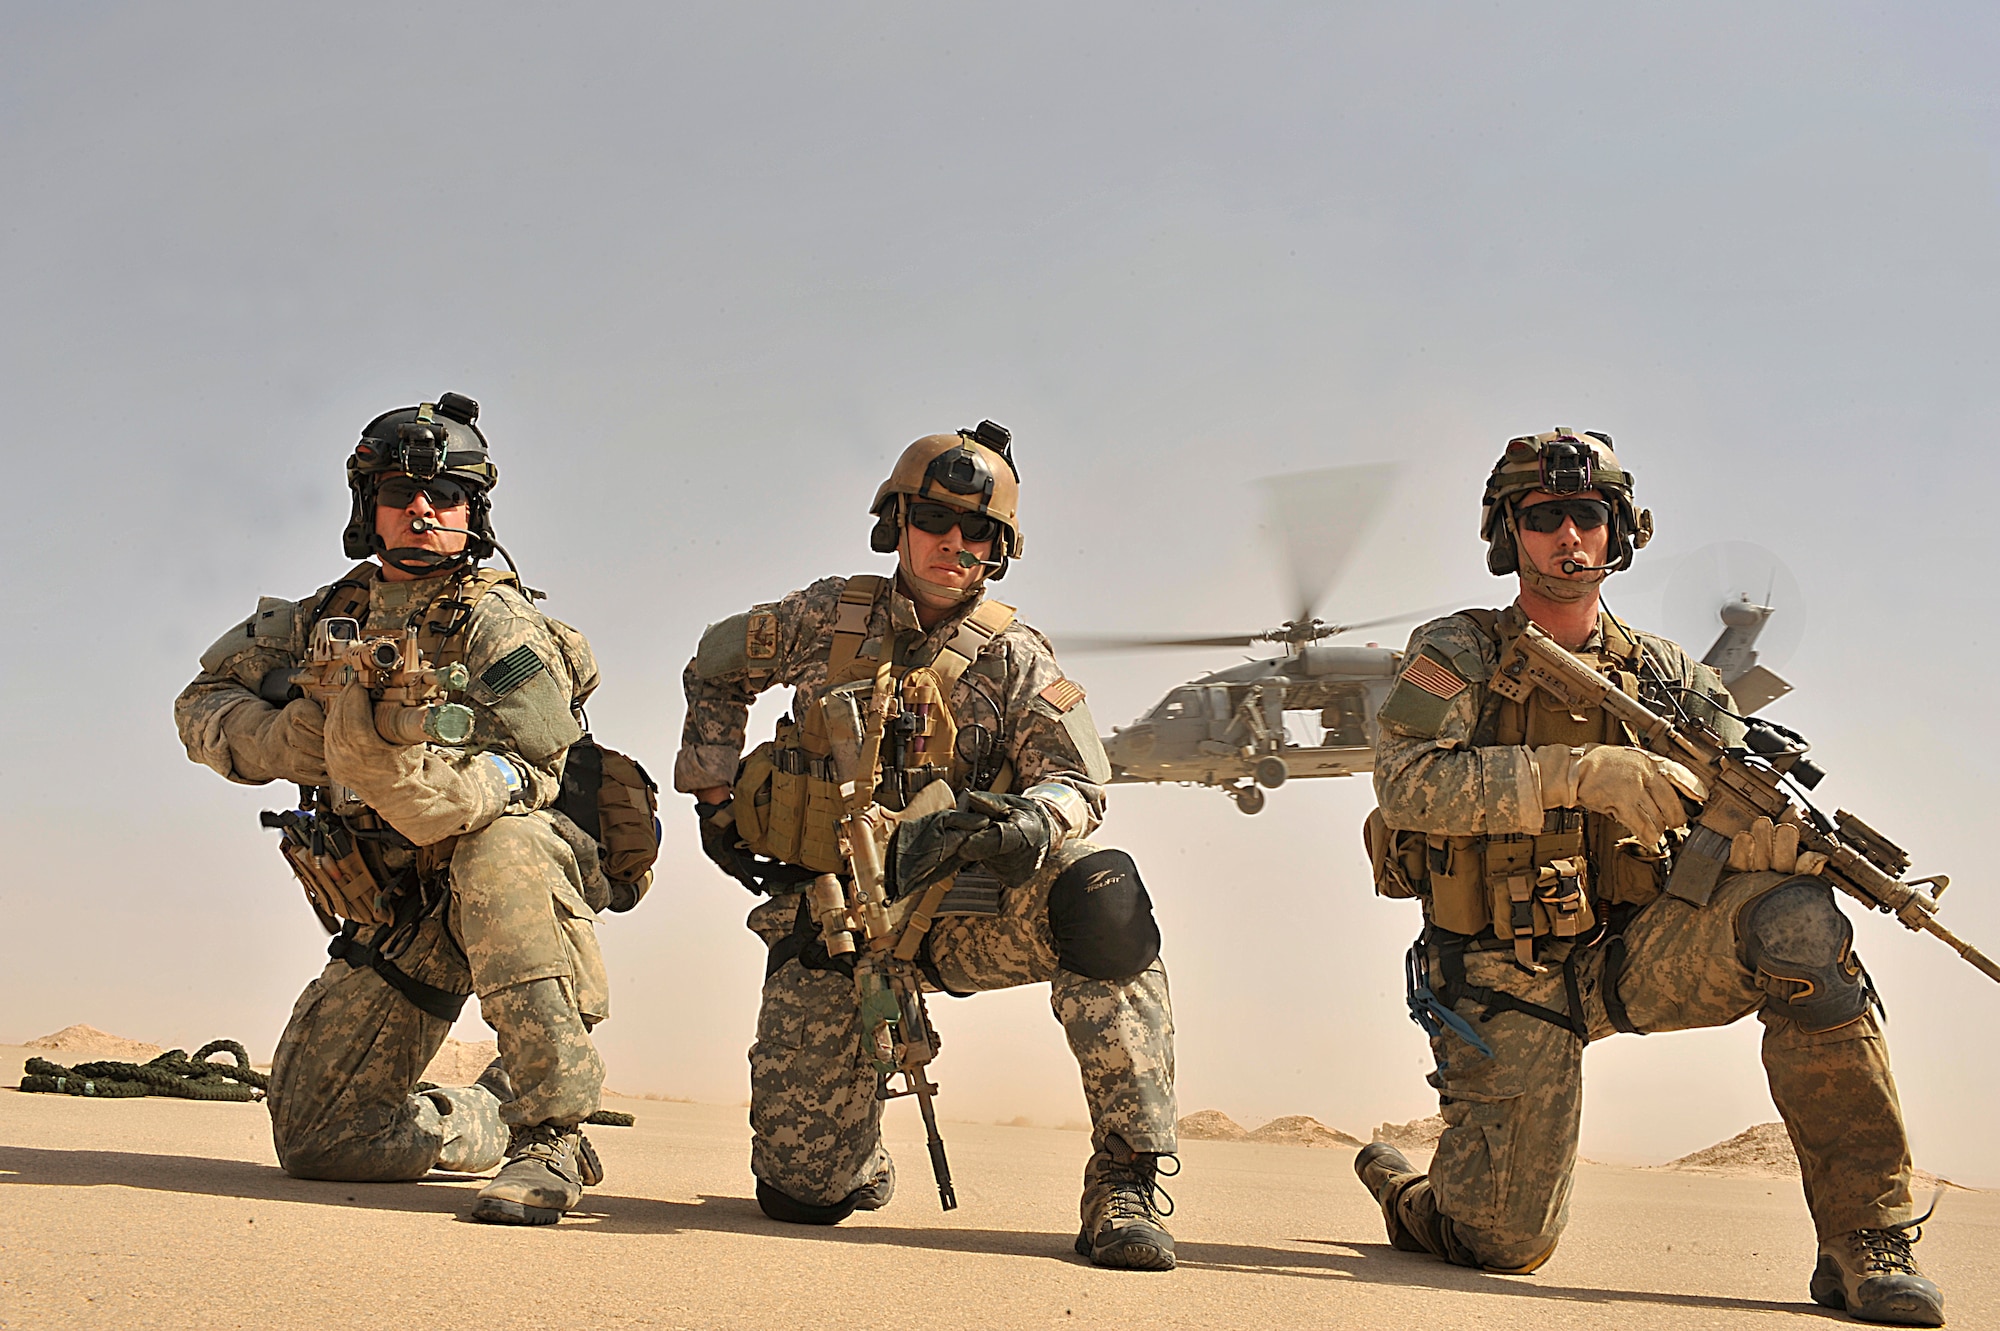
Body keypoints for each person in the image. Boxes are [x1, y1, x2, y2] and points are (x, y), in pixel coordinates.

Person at [1354, 428, 1944, 1327]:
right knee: (1503, 1243)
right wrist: (1577, 773)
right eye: (1543, 517)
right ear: (1508, 533)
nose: (1567, 536)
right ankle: (1409, 1192)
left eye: (1586, 514)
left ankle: (1867, 1240)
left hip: (1632, 950)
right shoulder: (1456, 651)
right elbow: (1404, 785)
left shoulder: (1671, 677)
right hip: (1498, 967)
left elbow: (1736, 795)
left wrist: (1765, 849)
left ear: (1619, 529)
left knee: (1798, 923)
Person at [676, 422, 1181, 1269]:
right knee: (800, 1198)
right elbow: (715, 664)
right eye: (937, 518)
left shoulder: (1015, 656)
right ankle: (855, 1156)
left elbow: (1081, 783)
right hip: (837, 918)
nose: (955, 541)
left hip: (961, 913)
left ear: (1002, 547)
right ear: (896, 520)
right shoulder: (821, 616)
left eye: (979, 529)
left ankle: (1125, 1180)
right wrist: (713, 794)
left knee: (1105, 896)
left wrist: (1031, 819)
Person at [175, 393, 620, 1226]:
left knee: (504, 846)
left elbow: (542, 763)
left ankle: (554, 1131)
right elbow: (200, 704)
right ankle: (482, 1117)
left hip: (500, 894)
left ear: (470, 511)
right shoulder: (317, 620)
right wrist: (291, 740)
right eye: (399, 493)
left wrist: (450, 792)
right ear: (368, 507)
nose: (422, 508)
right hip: (399, 912)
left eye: (446, 495)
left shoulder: (496, 621)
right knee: (319, 1139)